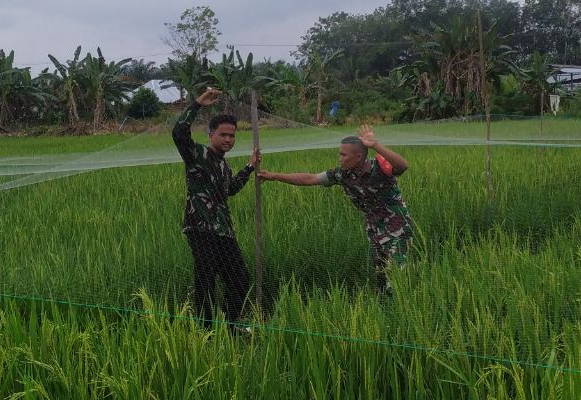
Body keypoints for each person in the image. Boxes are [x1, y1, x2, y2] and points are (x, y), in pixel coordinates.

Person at [258, 124, 412, 293]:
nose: (340, 158)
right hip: (374, 230)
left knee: (396, 278)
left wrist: (375, 145)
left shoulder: (380, 168)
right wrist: (275, 176)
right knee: (381, 277)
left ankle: (401, 310)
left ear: (359, 157)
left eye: (343, 155)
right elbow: (310, 179)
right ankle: (385, 308)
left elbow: (403, 166)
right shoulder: (342, 174)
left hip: (397, 230)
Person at [172, 87, 260, 329]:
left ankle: (233, 324)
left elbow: (230, 189)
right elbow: (179, 132)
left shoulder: (224, 166)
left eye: (232, 136)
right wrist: (198, 103)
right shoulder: (196, 154)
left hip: (223, 230)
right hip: (200, 229)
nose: (228, 140)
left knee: (240, 278)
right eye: (223, 135)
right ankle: (206, 331)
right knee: (206, 280)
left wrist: (249, 167)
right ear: (211, 134)